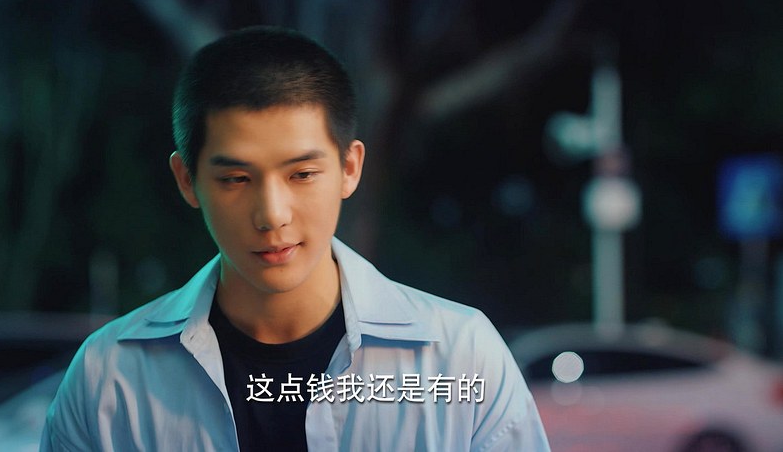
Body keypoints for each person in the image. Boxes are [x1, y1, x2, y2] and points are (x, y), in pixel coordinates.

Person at [41, 25, 549, 451]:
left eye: (302, 174)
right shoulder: (109, 377)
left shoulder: (461, 355)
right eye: (235, 179)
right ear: (187, 180)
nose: (272, 215)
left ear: (350, 168)